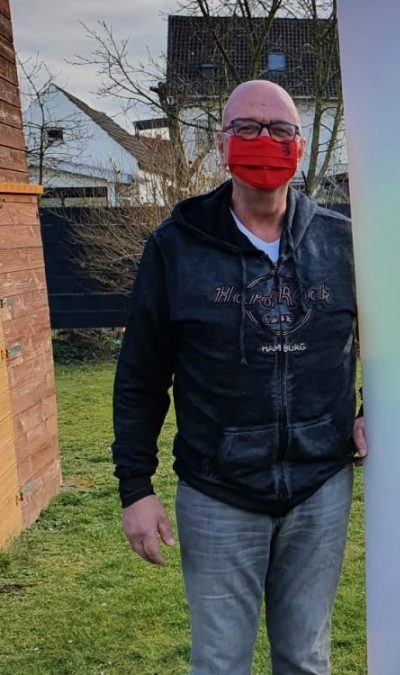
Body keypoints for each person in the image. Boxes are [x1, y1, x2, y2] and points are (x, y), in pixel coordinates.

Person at [111, 79, 365, 675]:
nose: (263, 140)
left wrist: (371, 409)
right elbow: (141, 375)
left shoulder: (343, 242)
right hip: (217, 491)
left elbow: (389, 341)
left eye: (279, 129)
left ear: (299, 145)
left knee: (305, 658)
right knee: (221, 663)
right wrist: (135, 487)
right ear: (223, 140)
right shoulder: (176, 248)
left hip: (319, 488)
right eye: (246, 128)